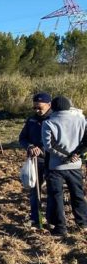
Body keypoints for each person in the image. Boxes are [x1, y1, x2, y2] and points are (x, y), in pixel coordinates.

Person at [42, 95, 87, 236]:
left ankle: (60, 227)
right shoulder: (81, 119)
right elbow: (85, 141)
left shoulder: (49, 122)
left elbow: (49, 145)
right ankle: (83, 224)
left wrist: (66, 156)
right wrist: (76, 154)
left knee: (56, 196)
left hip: (56, 167)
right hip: (75, 165)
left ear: (52, 107)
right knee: (78, 195)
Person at [18, 93, 52, 228]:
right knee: (34, 190)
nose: (37, 110)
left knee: (53, 191)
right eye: (34, 108)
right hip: (35, 161)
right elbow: (22, 138)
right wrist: (30, 146)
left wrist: (43, 149)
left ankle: (51, 219)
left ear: (49, 105)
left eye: (40, 107)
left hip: (52, 161)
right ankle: (36, 218)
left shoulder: (55, 119)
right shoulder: (31, 120)